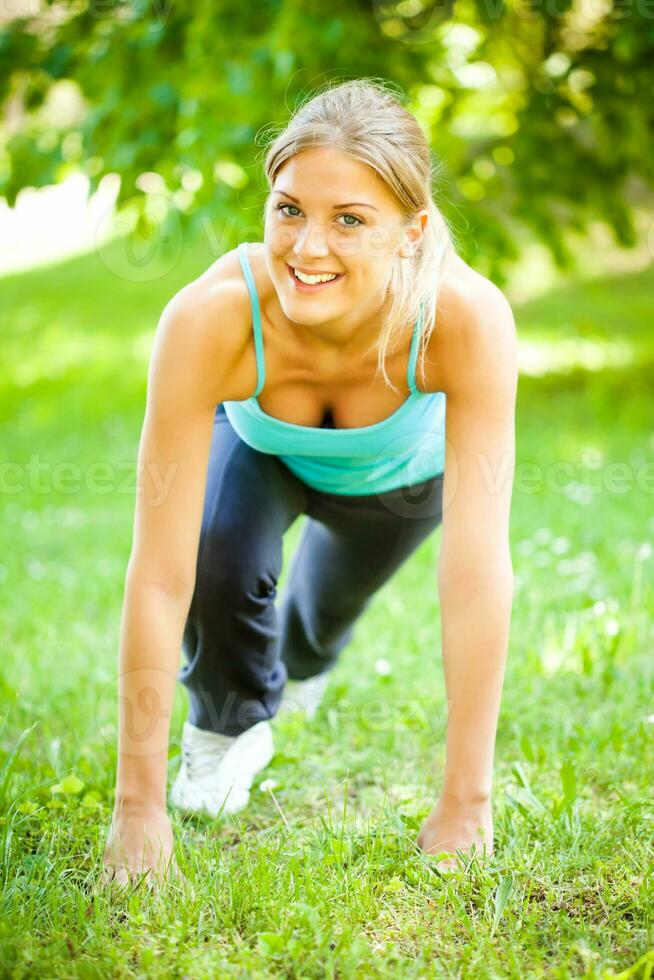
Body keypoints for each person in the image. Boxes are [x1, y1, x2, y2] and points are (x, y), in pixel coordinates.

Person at [101, 78, 517, 888]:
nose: (307, 247)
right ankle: (226, 730)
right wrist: (136, 809)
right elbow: (158, 574)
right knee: (219, 563)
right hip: (262, 452)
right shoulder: (212, 317)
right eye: (289, 208)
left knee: (313, 632)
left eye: (349, 220)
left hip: (396, 484)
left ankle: (302, 667)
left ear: (412, 230)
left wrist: (467, 801)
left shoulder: (463, 317)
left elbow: (474, 576)